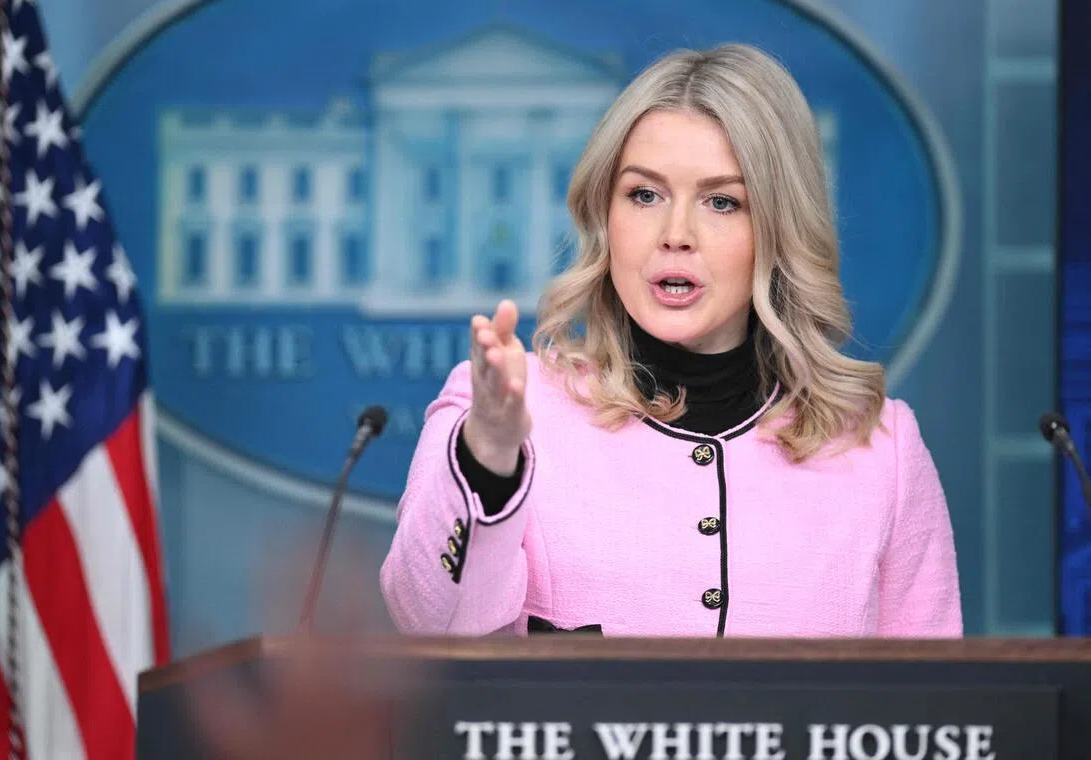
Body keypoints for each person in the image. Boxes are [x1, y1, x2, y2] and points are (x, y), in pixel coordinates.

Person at [379, 43, 963, 638]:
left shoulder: (882, 450)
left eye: (721, 201)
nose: (675, 234)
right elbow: (431, 623)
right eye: (645, 195)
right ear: (605, 217)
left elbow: (932, 710)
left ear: (778, 227)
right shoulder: (510, 407)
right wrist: (490, 455)